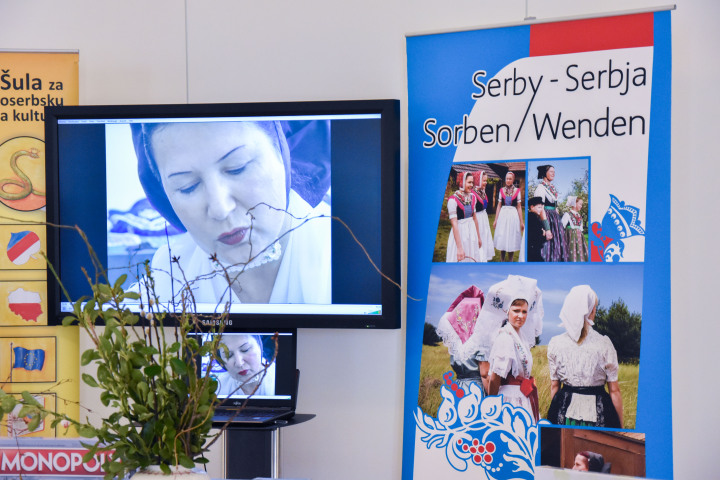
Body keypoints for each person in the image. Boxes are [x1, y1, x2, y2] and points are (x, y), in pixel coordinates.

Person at [131, 121, 332, 306]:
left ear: (281, 153)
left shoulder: (346, 260)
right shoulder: (165, 287)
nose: (220, 209)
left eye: (238, 168)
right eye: (187, 187)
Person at [546, 285, 623, 428]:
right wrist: (621, 428)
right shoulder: (604, 344)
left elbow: (554, 386)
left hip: (564, 409)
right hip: (600, 412)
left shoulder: (555, 343)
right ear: (592, 310)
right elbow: (614, 391)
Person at [477, 275, 544, 423]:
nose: (520, 316)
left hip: (522, 396)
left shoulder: (521, 337)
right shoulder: (505, 338)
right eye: (516, 310)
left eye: (524, 311)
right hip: (509, 399)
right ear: (507, 312)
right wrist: (492, 404)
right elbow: (495, 377)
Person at [435, 286, 488, 393]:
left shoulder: (455, 340)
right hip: (476, 388)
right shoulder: (480, 340)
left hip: (458, 388)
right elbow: (485, 374)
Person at [446, 171, 484, 262]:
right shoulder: (453, 200)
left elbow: (475, 218)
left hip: (471, 232)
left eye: (472, 182)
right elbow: (454, 224)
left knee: (472, 257)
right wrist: (459, 248)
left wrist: (478, 237)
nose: (471, 185)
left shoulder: (473, 197)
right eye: (469, 182)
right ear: (462, 182)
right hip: (460, 233)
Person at [534, 165, 567, 262]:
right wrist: (546, 228)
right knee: (547, 245)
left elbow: (554, 206)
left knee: (557, 244)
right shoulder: (541, 188)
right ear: (545, 173)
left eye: (554, 171)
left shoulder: (552, 188)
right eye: (551, 171)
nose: (553, 173)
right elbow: (540, 209)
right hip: (546, 219)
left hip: (555, 220)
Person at [492, 171, 523, 262]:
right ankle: (502, 259)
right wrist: (495, 220)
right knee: (503, 236)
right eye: (507, 179)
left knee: (511, 237)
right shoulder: (502, 190)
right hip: (503, 215)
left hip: (513, 215)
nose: (508, 180)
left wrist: (521, 222)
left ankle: (511, 260)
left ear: (513, 180)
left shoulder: (517, 191)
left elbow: (519, 207)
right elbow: (499, 205)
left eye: (510, 179)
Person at [472, 171, 495, 261]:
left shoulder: (482, 192)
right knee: (479, 237)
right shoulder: (472, 194)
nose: (486, 182)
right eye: (484, 180)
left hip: (483, 217)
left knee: (484, 236)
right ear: (477, 180)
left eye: (486, 181)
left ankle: (483, 257)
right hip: (477, 219)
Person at [562, 196, 589, 262]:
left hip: (580, 238)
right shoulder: (567, 214)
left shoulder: (579, 216)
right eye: (580, 204)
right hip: (571, 239)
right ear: (574, 203)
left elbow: (581, 229)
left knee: (581, 254)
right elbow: (561, 227)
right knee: (571, 254)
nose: (581, 206)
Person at [527, 196, 551, 262]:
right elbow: (535, 233)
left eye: (542, 207)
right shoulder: (532, 217)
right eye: (539, 207)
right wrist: (542, 233)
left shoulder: (535, 216)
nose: (541, 210)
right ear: (532, 207)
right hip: (533, 248)